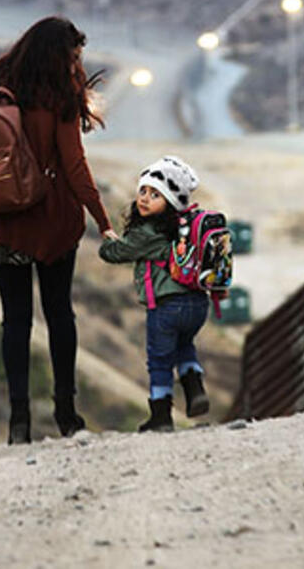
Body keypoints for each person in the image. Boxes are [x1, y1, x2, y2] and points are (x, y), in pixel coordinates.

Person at [0, 17, 114, 445]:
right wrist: (103, 220)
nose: (76, 64)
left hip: (1, 222)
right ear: (59, 56)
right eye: (73, 56)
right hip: (51, 223)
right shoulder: (57, 96)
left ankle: (19, 421)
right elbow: (75, 167)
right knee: (60, 315)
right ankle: (66, 413)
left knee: (15, 320)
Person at [98, 155, 211, 433]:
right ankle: (195, 390)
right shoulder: (186, 226)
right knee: (185, 346)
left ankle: (161, 416)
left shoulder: (147, 231)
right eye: (143, 191)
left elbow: (116, 254)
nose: (145, 198)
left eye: (155, 195)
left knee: (159, 360)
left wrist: (107, 241)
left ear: (171, 201)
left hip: (166, 307)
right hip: (197, 304)